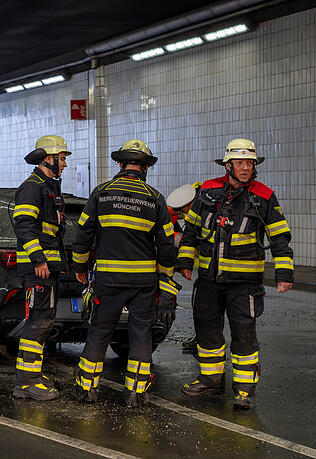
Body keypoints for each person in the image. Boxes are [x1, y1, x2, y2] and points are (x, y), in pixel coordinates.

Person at [177, 139, 294, 410]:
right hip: (208, 279)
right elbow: (192, 229)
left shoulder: (264, 196)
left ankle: (244, 390)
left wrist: (284, 273)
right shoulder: (208, 191)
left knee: (244, 334)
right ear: (228, 165)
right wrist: (185, 261)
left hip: (244, 284)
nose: (246, 167)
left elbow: (279, 237)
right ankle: (210, 380)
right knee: (206, 332)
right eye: (240, 162)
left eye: (250, 163)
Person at [71, 139, 176, 408]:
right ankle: (135, 394)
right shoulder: (155, 198)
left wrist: (80, 269)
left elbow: (83, 235)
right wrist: (165, 276)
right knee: (141, 333)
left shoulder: (101, 193)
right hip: (143, 282)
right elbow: (166, 242)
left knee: (100, 331)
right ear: (145, 168)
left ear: (120, 164)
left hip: (108, 279)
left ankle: (87, 389)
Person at [11, 135, 71, 401]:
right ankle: (27, 381)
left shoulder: (48, 187)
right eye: (62, 159)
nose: (65, 164)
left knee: (43, 322)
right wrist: (39, 260)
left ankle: (30, 376)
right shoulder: (32, 187)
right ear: (49, 158)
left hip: (46, 267)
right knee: (38, 322)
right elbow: (23, 225)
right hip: (38, 268)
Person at [166, 182, 203, 353]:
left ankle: (204, 342)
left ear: (190, 203)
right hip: (206, 269)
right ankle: (202, 340)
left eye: (184, 211)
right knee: (202, 304)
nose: (184, 215)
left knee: (206, 306)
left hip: (218, 268)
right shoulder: (194, 197)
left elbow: (192, 240)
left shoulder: (205, 206)